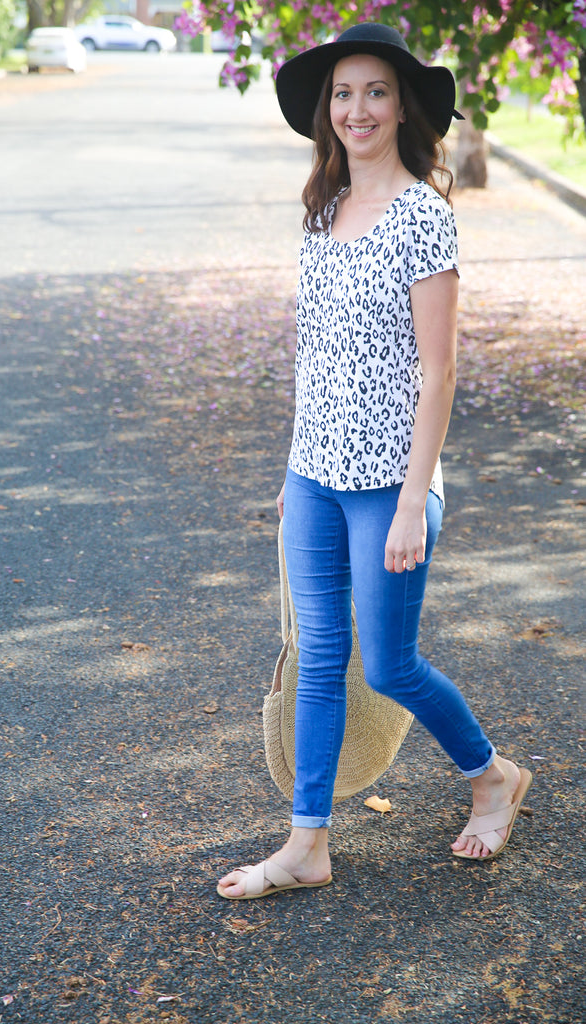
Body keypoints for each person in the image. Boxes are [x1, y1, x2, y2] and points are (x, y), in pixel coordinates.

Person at [217, 23, 532, 901]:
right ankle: (306, 846)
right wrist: (290, 475)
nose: (357, 109)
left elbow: (439, 374)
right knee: (318, 660)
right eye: (343, 94)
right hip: (313, 476)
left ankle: (492, 775)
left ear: (401, 108)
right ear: (328, 111)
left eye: (375, 92)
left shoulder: (423, 216)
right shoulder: (320, 210)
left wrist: (407, 502)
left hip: (389, 486)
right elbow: (312, 355)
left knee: (388, 667)